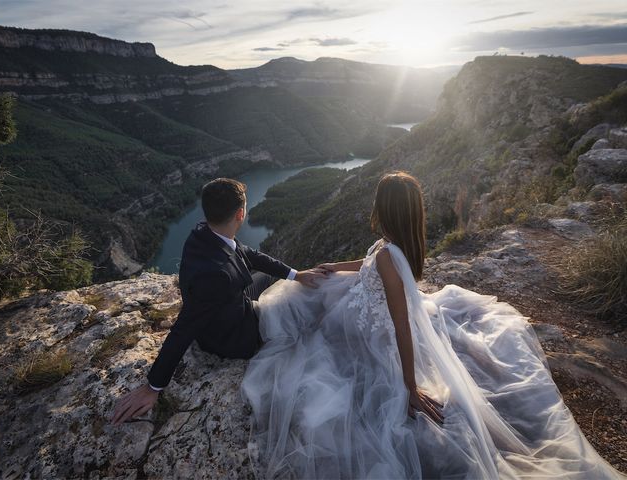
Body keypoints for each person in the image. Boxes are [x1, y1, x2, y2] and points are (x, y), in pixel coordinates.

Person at [240, 171, 625, 479]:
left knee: (314, 352)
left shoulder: (391, 257)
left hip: (375, 334)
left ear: (385, 209)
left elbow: (401, 323)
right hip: (359, 311)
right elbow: (367, 261)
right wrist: (333, 267)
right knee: (307, 295)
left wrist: (409, 385)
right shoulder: (390, 244)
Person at [111, 178, 327, 425]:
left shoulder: (204, 232)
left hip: (229, 304)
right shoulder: (216, 275)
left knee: (272, 276)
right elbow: (184, 328)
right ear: (240, 213)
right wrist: (153, 386)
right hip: (235, 337)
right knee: (295, 308)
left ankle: (292, 282)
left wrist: (296, 274)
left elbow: (249, 254)